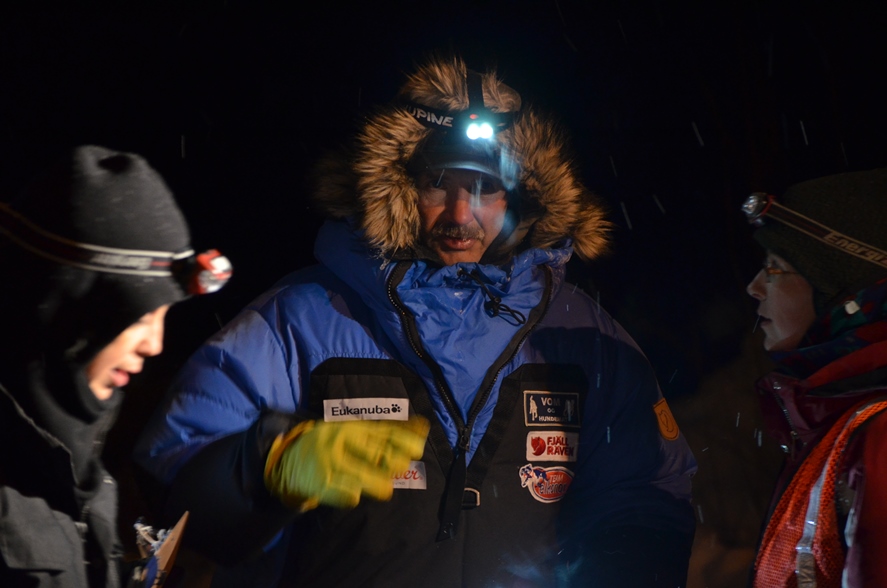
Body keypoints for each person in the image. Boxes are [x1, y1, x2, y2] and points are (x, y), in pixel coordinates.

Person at [135, 55, 697, 587]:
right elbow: (175, 486)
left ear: (520, 200)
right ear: (399, 190)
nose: (460, 214)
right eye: (437, 183)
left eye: (485, 187)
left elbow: (646, 493)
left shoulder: (580, 337)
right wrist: (262, 467)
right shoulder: (299, 320)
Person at [0, 145, 232, 587]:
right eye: (140, 316)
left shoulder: (75, 461)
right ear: (69, 311)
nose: (155, 344)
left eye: (164, 316)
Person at [741, 168, 887, 587]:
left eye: (775, 267)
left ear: (846, 296)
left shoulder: (879, 437)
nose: (754, 287)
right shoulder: (831, 421)